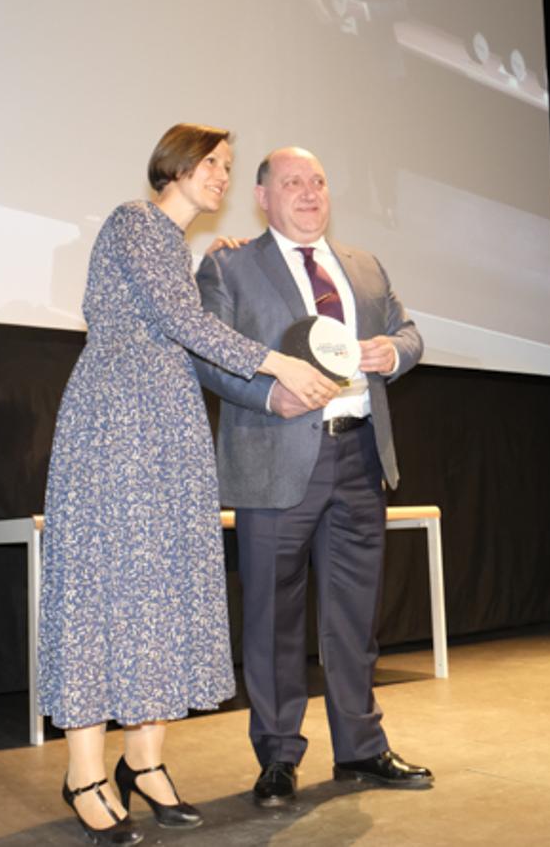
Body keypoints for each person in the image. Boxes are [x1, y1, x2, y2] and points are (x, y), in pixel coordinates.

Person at [37, 125, 338, 845]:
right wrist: (278, 363)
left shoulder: (174, 247)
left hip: (168, 428)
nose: (221, 177)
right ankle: (84, 771)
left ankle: (144, 762)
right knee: (104, 588)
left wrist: (206, 261)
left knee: (162, 589)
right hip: (117, 425)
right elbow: (177, 320)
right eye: (211, 163)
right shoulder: (134, 222)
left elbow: (178, 311)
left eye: (230, 169)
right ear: (173, 165)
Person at [194, 146, 431, 807]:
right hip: (275, 462)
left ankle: (360, 747)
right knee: (273, 617)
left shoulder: (363, 266)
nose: (307, 193)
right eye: (291, 182)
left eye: (318, 181)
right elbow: (208, 355)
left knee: (355, 618)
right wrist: (268, 396)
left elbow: (409, 331)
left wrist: (395, 351)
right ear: (262, 198)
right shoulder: (229, 264)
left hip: (359, 458)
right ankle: (277, 758)